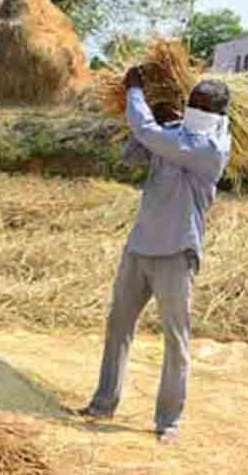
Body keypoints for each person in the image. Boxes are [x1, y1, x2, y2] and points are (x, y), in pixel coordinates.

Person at [76, 67, 232, 445]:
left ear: (219, 114)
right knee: (118, 326)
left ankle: (168, 422)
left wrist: (135, 94)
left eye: (203, 106)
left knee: (175, 340)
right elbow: (135, 154)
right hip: (139, 246)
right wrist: (158, 120)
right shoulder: (175, 134)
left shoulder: (210, 149)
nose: (195, 109)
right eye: (192, 102)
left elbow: (147, 133)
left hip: (176, 253)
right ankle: (103, 402)